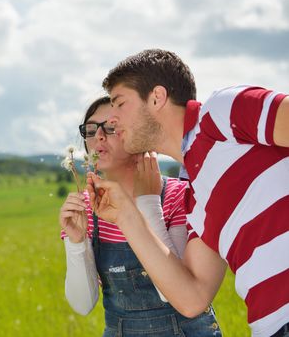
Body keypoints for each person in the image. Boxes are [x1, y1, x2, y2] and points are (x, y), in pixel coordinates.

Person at [86, 49, 289, 337]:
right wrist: (127, 216)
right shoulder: (195, 200)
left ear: (156, 97)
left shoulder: (220, 112)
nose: (113, 120)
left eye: (119, 104)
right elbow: (191, 299)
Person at [59, 96, 221, 336]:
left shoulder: (177, 195)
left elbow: (176, 295)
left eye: (111, 127)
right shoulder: (86, 207)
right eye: (91, 130)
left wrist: (148, 203)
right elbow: (82, 305)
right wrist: (77, 243)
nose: (99, 136)